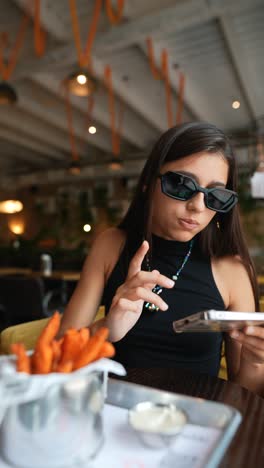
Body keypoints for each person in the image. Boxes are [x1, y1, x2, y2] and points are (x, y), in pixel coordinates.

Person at [60, 122, 264, 395]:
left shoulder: (232, 270)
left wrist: (256, 362)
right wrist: (108, 328)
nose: (197, 206)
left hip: (193, 422)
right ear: (147, 184)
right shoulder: (111, 245)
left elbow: (242, 393)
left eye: (215, 195)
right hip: (114, 413)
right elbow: (59, 353)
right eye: (181, 184)